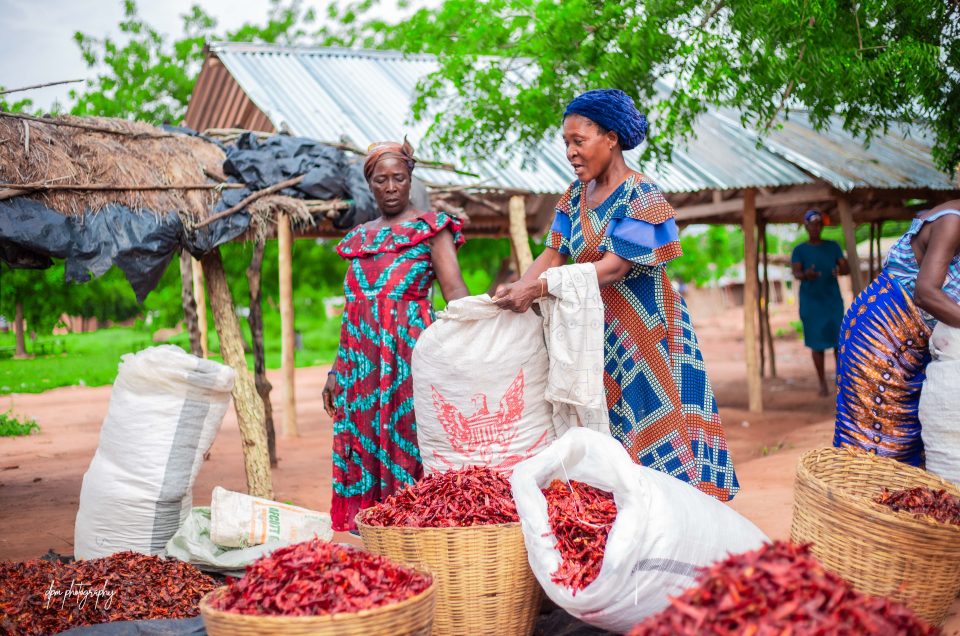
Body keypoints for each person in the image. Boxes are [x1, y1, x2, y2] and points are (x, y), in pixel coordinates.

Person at [493, 89, 738, 501]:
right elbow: (552, 253)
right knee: (607, 434)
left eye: (579, 141)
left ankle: (674, 523)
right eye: (566, 143)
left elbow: (615, 265)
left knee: (654, 428)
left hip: (648, 337)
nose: (570, 152)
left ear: (610, 138)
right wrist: (520, 287)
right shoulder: (574, 197)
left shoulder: (642, 196)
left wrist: (540, 288)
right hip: (596, 337)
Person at [322, 139, 469, 532]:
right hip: (361, 368)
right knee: (364, 441)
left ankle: (413, 533)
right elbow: (353, 311)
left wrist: (471, 348)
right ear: (369, 184)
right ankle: (372, 536)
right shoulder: (358, 239)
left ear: (410, 180)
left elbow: (455, 293)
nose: (391, 187)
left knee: (410, 439)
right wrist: (336, 370)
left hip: (410, 359)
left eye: (399, 178)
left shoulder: (430, 230)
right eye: (382, 180)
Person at [834, 199, 960, 466]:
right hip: (881, 338)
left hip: (915, 345)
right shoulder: (953, 221)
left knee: (911, 434)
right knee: (878, 441)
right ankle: (858, 508)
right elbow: (926, 292)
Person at [791, 209, 850, 396]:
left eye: (818, 224)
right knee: (816, 344)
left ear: (822, 226)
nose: (815, 228)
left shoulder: (833, 246)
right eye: (811, 225)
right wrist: (806, 275)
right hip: (812, 304)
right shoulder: (799, 250)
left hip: (832, 301)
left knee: (837, 344)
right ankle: (822, 383)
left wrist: (840, 270)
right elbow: (796, 272)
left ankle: (840, 382)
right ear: (806, 227)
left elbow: (845, 268)